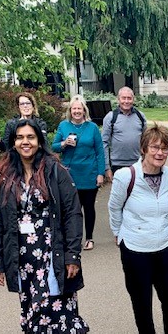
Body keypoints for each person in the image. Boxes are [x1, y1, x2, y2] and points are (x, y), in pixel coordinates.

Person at [0, 118, 89, 334]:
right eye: (20, 137)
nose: (25, 141)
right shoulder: (5, 175)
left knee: (46, 308)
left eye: (30, 137)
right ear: (13, 142)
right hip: (22, 258)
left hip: (52, 254)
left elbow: (72, 213)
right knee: (41, 308)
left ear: (39, 140)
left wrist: (72, 255)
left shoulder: (56, 171)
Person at [108, 124, 168, 334]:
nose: (160, 153)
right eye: (155, 147)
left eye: (164, 148)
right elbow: (114, 207)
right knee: (141, 297)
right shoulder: (126, 176)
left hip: (163, 244)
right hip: (135, 248)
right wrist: (118, 233)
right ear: (144, 148)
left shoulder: (167, 175)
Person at [52, 95, 105, 251]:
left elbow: (100, 152)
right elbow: (53, 147)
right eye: (74, 108)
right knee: (71, 209)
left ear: (84, 110)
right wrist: (64, 143)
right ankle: (73, 239)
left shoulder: (92, 127)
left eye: (79, 108)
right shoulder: (63, 126)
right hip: (70, 173)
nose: (76, 111)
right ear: (70, 110)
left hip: (89, 172)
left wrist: (100, 173)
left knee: (88, 207)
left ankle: (89, 238)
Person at [102, 87, 147, 181]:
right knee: (120, 194)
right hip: (117, 164)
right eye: (123, 98)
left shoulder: (140, 116)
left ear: (133, 99)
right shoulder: (111, 117)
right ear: (118, 99)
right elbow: (104, 143)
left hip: (137, 163)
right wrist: (107, 167)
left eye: (129, 98)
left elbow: (146, 141)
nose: (126, 101)